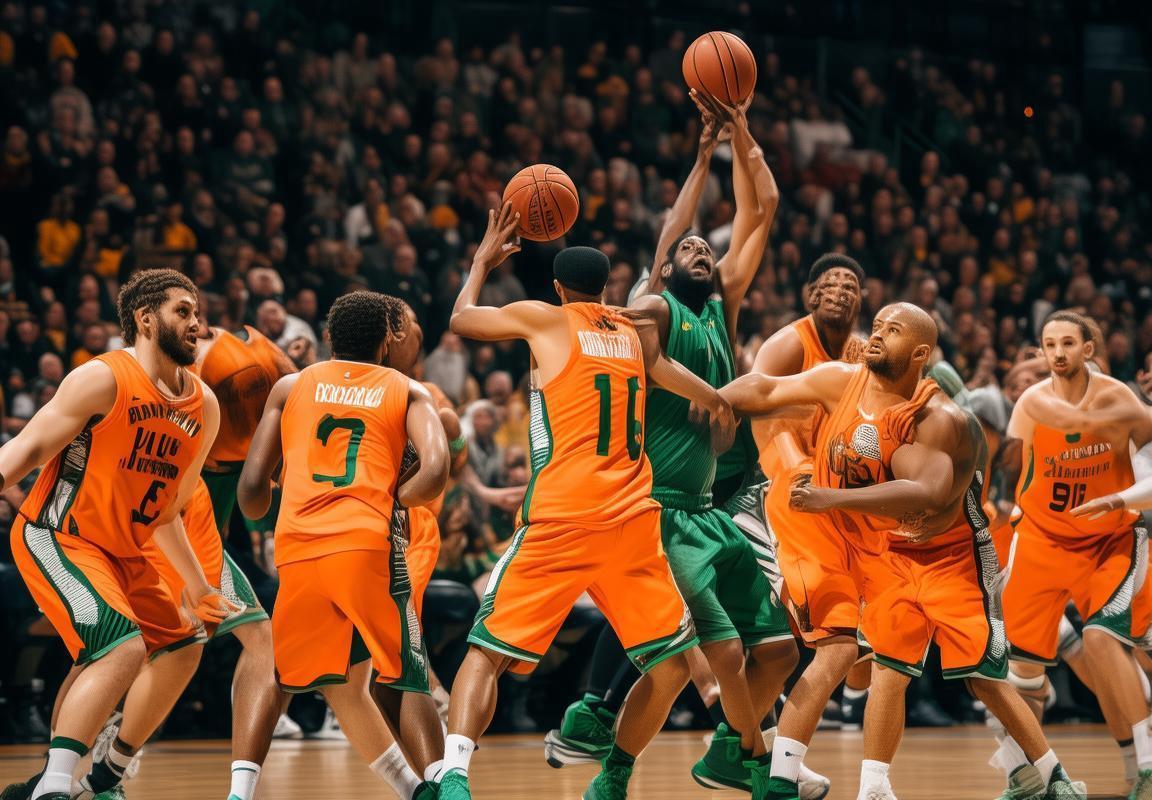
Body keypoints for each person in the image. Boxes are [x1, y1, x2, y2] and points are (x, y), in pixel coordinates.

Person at [722, 302, 1085, 800]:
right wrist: (703, 398)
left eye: (891, 331)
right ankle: (873, 787)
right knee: (888, 670)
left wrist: (831, 498)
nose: (875, 335)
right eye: (876, 326)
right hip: (890, 551)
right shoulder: (843, 382)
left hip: (954, 556)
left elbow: (928, 492)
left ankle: (1049, 775)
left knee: (984, 678)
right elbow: (764, 388)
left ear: (919, 354)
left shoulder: (936, 418)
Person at [437, 203, 733, 800]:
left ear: (557, 288)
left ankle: (454, 775)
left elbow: (462, 318)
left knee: (486, 651)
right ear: (607, 288)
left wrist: (483, 261)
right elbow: (669, 371)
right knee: (672, 666)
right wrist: (717, 399)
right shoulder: (629, 329)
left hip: (562, 518)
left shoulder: (546, 319)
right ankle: (615, 774)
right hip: (630, 523)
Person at [0, 269, 231, 800]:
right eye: (182, 311)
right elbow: (28, 447)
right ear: (145, 319)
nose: (196, 324)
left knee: (184, 645)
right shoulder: (102, 379)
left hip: (126, 552)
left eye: (197, 313)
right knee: (122, 649)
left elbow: (168, 512)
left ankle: (105, 775)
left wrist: (198, 587)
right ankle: (53, 786)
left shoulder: (204, 406)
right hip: (59, 535)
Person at [238, 291, 449, 800]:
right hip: (365, 543)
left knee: (293, 677)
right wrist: (398, 496)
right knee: (408, 676)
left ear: (329, 337)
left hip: (297, 548)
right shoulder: (407, 389)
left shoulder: (290, 386)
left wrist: (275, 499)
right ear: (386, 341)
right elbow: (437, 470)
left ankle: (239, 791)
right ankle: (447, 789)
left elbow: (251, 493)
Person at [1001, 310, 1152, 796]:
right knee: (1022, 673)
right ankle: (1027, 777)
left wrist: (1119, 500)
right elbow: (1009, 471)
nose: (1058, 352)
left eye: (1067, 343)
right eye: (1050, 344)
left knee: (1107, 644)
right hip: (1042, 540)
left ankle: (1143, 767)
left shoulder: (1122, 401)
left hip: (1107, 541)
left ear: (1088, 348)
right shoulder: (1030, 403)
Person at [750, 252, 870, 736]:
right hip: (783, 490)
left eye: (851, 285)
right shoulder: (789, 344)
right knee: (821, 629)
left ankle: (840, 708)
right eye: (831, 283)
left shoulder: (863, 354)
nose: (841, 291)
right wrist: (796, 468)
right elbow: (759, 409)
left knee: (846, 625)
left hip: (833, 495)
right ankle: (763, 732)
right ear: (811, 296)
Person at [373, 295, 469, 777]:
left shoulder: (429, 392)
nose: (408, 331)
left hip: (414, 523)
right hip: (365, 521)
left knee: (400, 621)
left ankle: (433, 694)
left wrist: (452, 435)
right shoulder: (361, 387)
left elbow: (457, 456)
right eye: (400, 323)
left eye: (410, 323)